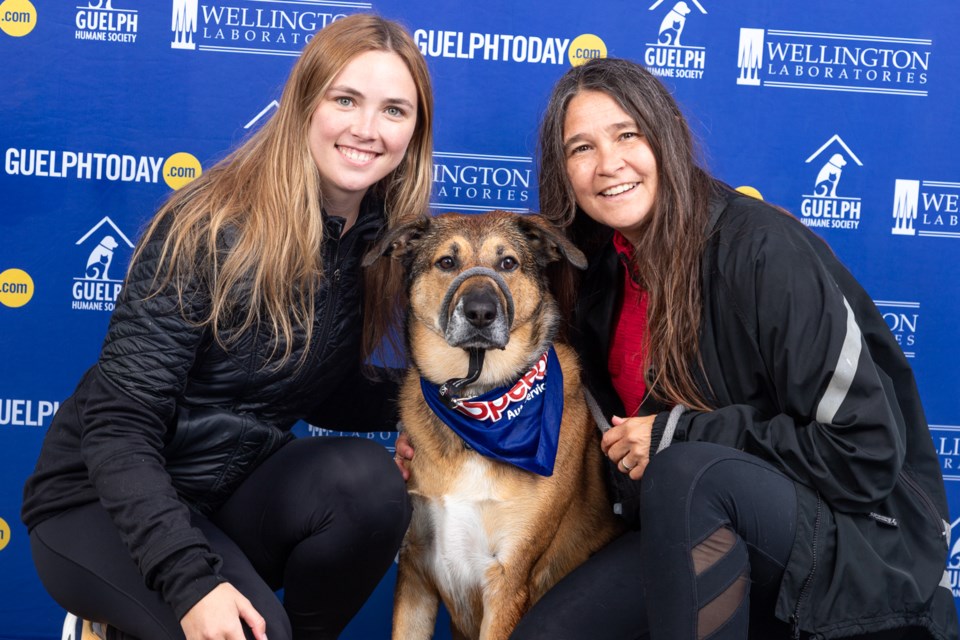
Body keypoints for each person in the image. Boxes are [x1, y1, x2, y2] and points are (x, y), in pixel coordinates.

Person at [505, 57, 958, 639]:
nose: (608, 164)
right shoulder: (593, 271)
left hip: (859, 544)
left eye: (626, 134)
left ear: (665, 135)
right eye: (581, 148)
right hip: (692, 531)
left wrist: (681, 434)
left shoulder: (763, 250)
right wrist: (442, 426)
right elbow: (536, 397)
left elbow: (864, 452)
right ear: (562, 171)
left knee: (687, 473)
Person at [22, 14, 433, 640]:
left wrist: (435, 406)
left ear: (415, 132)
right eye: (345, 99)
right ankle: (114, 618)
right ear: (302, 105)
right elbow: (118, 430)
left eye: (394, 110)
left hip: (226, 493)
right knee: (243, 631)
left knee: (370, 486)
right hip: (97, 498)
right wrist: (190, 583)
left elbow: (319, 385)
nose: (367, 129)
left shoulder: (373, 243)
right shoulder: (208, 226)